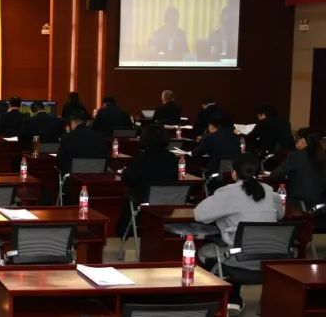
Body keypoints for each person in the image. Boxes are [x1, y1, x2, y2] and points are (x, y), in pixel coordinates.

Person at [194, 154, 285, 315]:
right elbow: (280, 215)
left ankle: (230, 298)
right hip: (271, 262)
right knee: (238, 245)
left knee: (202, 251)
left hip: (239, 261)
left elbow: (199, 215)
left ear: (234, 173)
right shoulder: (271, 192)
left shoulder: (227, 192)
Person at [116, 125, 179, 235]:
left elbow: (130, 178)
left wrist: (125, 172)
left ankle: (124, 231)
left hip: (145, 199)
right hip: (169, 201)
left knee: (130, 196)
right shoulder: (173, 158)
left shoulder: (142, 158)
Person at [266, 128, 325, 208]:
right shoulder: (322, 156)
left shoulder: (297, 156)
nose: (295, 142)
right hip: (321, 205)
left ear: (303, 140)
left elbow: (274, 175)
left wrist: (287, 176)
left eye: (297, 139)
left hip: (300, 204)